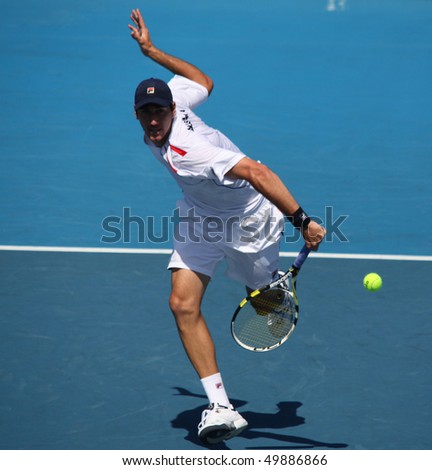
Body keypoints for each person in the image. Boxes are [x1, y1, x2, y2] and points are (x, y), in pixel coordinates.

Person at [128, 8, 326, 445]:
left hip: (249, 221)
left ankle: (266, 282)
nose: (155, 120)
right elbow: (204, 81)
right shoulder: (167, 113)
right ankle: (221, 406)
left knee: (264, 301)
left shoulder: (190, 150)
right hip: (200, 215)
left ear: (170, 109)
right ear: (138, 115)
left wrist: (302, 221)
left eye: (160, 112)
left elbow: (257, 171)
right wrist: (151, 51)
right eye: (148, 114)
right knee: (182, 304)